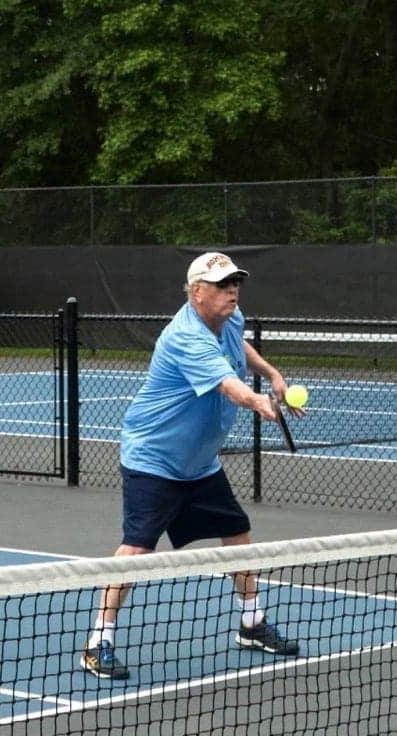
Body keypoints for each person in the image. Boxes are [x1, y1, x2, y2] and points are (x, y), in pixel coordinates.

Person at [80, 252, 304, 680]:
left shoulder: (230, 318)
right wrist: (259, 401)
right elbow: (228, 384)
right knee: (136, 550)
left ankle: (252, 622)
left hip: (199, 465)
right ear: (197, 291)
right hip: (154, 459)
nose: (232, 290)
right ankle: (98, 642)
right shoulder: (185, 336)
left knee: (238, 533)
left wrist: (272, 373)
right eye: (222, 285)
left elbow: (238, 347)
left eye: (235, 282)